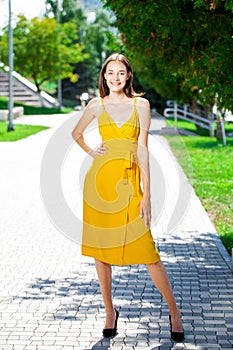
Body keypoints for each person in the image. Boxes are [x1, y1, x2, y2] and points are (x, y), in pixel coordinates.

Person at [72, 53, 184, 341]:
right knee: (100, 252)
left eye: (121, 72)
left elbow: (143, 149)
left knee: (148, 252)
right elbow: (76, 133)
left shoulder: (141, 105)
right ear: (104, 76)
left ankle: (174, 312)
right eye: (111, 73)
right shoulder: (96, 105)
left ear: (128, 75)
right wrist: (91, 151)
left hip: (130, 183)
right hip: (99, 185)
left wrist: (147, 193)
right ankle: (110, 311)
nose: (116, 78)